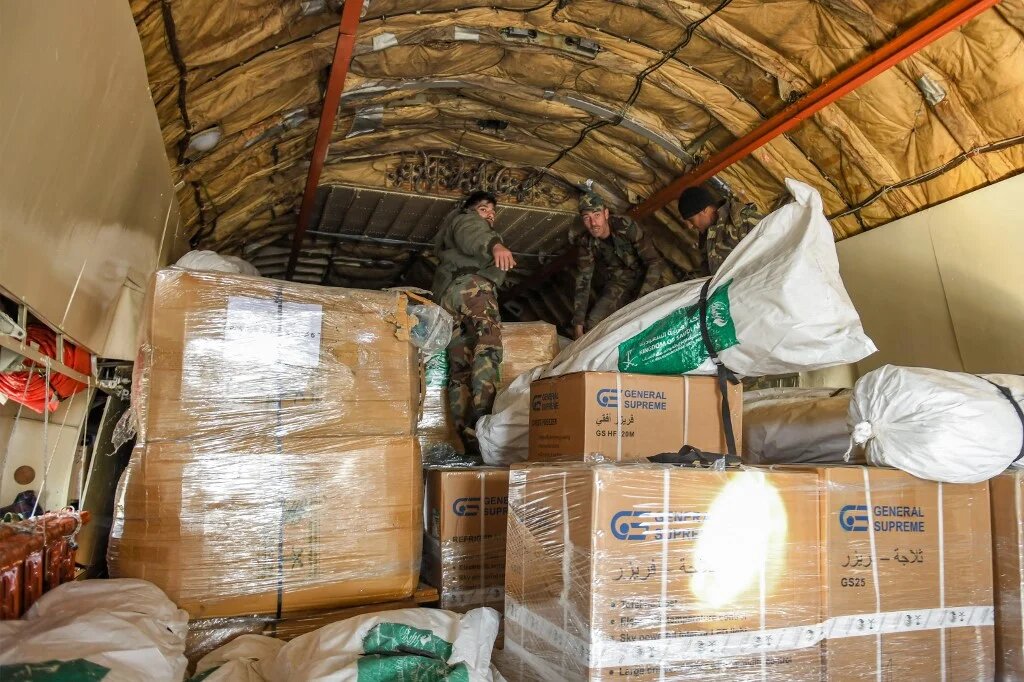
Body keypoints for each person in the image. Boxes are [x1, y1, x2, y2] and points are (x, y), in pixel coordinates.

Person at [431, 190, 516, 451]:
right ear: (470, 210)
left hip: (448, 298)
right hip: (471, 287)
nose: (489, 214)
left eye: (492, 212)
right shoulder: (466, 220)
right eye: (484, 209)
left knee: (460, 370)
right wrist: (495, 245)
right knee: (488, 347)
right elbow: (473, 232)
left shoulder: (453, 235)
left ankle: (467, 441)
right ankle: (485, 424)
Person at [571, 192, 667, 339]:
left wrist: (642, 298)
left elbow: (654, 262)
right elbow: (583, 280)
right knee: (593, 324)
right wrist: (578, 324)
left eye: (596, 215)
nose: (593, 223)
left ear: (606, 214)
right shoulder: (586, 243)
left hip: (646, 278)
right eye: (586, 218)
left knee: (650, 316)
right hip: (619, 282)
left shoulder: (625, 226)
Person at [676, 185, 762, 279]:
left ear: (705, 210)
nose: (690, 226)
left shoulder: (741, 219)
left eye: (691, 220)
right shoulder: (706, 239)